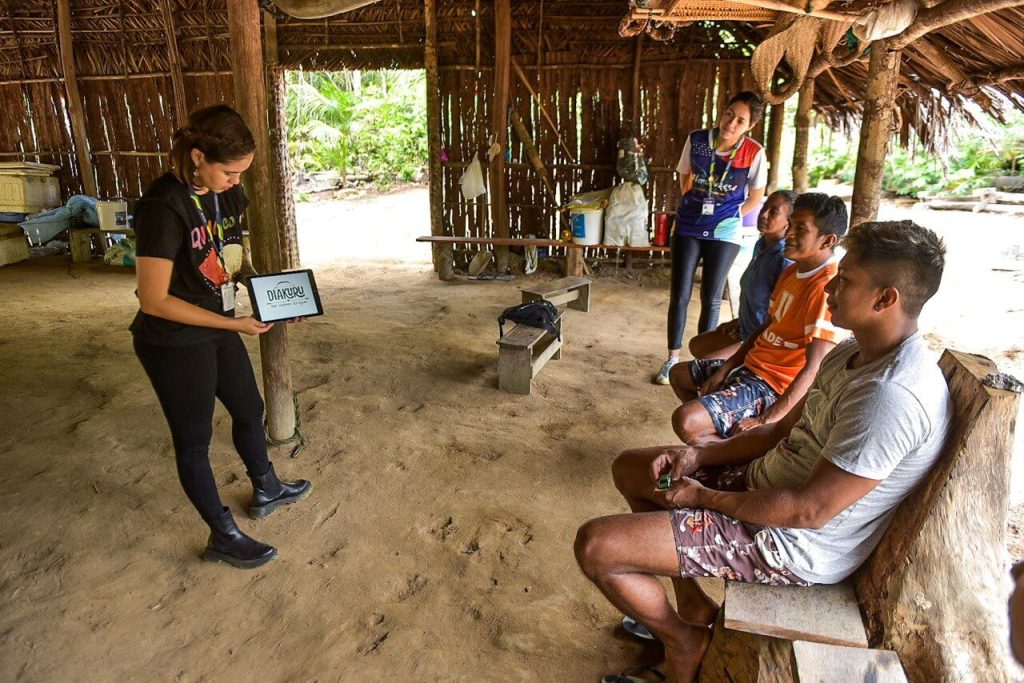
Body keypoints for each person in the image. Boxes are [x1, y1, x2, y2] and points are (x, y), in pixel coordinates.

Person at [576, 220, 951, 683]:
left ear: (885, 299)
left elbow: (807, 513)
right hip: (768, 486)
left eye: (846, 279)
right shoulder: (852, 351)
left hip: (789, 544)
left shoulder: (890, 397)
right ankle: (692, 604)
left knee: (599, 547)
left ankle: (682, 641)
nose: (831, 285)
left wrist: (703, 497)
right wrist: (699, 458)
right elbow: (776, 431)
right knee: (635, 469)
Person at [131, 104, 311, 569]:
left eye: (240, 174)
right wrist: (236, 325)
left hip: (217, 322)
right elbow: (152, 300)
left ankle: (266, 486)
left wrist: (276, 297)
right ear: (197, 157)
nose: (235, 182)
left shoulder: (225, 196)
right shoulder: (161, 207)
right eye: (229, 172)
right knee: (193, 441)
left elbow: (231, 261)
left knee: (250, 408)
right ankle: (222, 534)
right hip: (173, 339)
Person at [669, 193, 848, 443]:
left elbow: (814, 367)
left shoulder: (824, 287)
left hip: (773, 385)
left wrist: (766, 421)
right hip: (753, 366)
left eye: (800, 229)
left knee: (686, 420)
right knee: (678, 375)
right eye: (791, 225)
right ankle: (724, 441)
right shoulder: (793, 271)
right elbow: (767, 325)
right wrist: (727, 368)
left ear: (827, 240)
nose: (790, 234)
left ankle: (721, 452)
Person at [654, 92, 768, 385]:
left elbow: (756, 194)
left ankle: (700, 364)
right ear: (723, 111)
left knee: (711, 297)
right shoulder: (697, 140)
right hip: (690, 225)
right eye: (730, 114)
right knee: (679, 294)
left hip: (726, 231)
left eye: (740, 120)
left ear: (749, 126)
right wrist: (697, 205)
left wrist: (730, 215)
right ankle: (672, 359)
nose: (731, 123)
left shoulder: (754, 153)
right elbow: (684, 176)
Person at [687, 189, 796, 360]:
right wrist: (738, 321)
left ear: (788, 223)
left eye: (774, 212)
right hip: (744, 329)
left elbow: (781, 315)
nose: (764, 214)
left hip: (761, 339)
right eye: (764, 207)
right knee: (698, 346)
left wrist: (753, 339)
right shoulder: (761, 246)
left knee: (702, 364)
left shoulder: (784, 260)